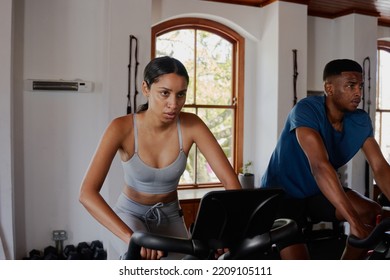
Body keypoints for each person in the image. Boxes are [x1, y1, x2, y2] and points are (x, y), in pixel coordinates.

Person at [79, 56, 241, 260]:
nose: (173, 104)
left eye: (180, 95)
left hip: (171, 215)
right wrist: (131, 239)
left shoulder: (193, 125)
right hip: (130, 215)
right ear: (146, 89)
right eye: (165, 93)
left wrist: (230, 232)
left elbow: (231, 182)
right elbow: (86, 193)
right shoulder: (121, 128)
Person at [260, 59, 390, 260]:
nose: (358, 93)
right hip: (282, 197)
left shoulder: (360, 120)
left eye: (360, 86)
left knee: (371, 211)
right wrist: (353, 222)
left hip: (316, 193)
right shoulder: (306, 110)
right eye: (350, 85)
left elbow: (380, 166)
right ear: (329, 88)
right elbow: (320, 166)